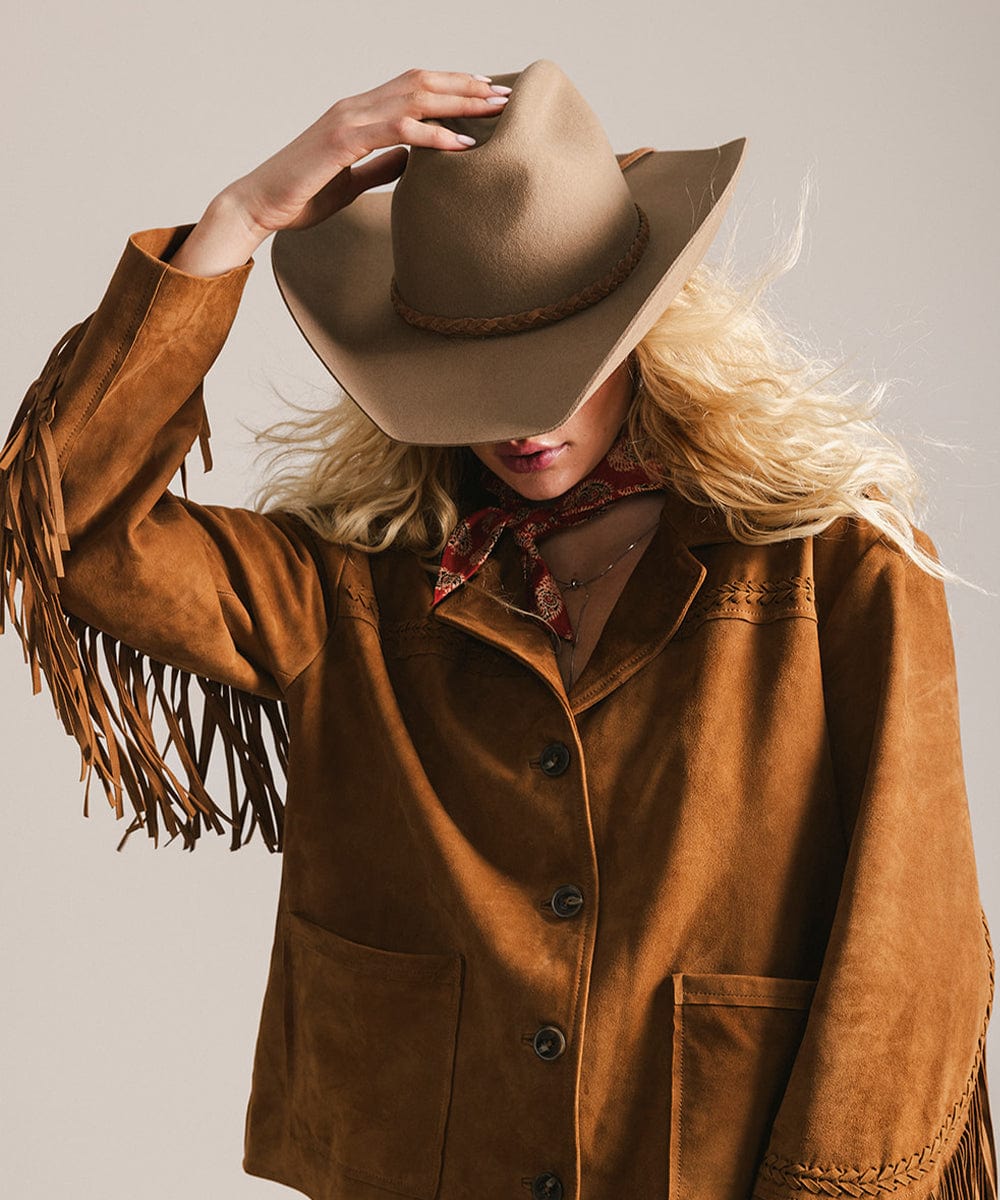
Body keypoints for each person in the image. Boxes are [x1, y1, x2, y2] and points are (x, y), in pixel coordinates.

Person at [1, 58, 996, 1200]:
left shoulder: (836, 567)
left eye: (561, 363)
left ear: (645, 330)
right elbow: (62, 530)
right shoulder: (353, 589)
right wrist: (241, 218)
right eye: (474, 371)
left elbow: (909, 944)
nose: (523, 416)